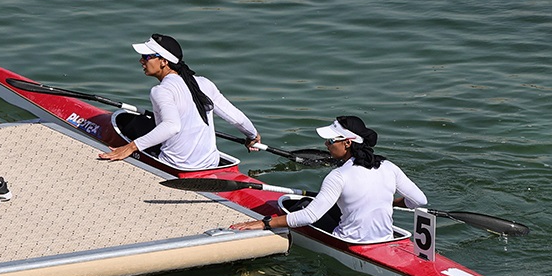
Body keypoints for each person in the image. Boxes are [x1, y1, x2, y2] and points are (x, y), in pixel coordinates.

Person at [230, 115, 427, 243]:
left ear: (347, 143)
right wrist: (389, 202)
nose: (326, 144)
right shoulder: (388, 166)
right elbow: (419, 200)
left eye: (331, 140)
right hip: (385, 239)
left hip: (350, 242)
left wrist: (265, 223)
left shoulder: (338, 176)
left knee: (302, 206)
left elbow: (309, 217)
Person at [99, 34, 261, 169]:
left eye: (146, 57)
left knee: (136, 123)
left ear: (164, 61)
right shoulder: (204, 83)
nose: (141, 61)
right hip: (210, 163)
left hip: (176, 165)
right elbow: (237, 118)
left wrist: (130, 147)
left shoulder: (161, 90)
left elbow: (172, 126)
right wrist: (253, 135)